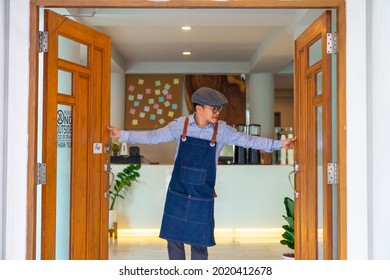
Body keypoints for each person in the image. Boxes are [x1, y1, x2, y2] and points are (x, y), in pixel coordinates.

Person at [107, 87, 296, 260]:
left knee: (199, 243)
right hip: (178, 191)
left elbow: (248, 141)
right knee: (174, 240)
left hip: (202, 194)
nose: (217, 113)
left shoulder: (222, 130)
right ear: (198, 108)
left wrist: (279, 144)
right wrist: (122, 134)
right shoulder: (180, 125)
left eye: (219, 109)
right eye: (213, 109)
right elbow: (154, 136)